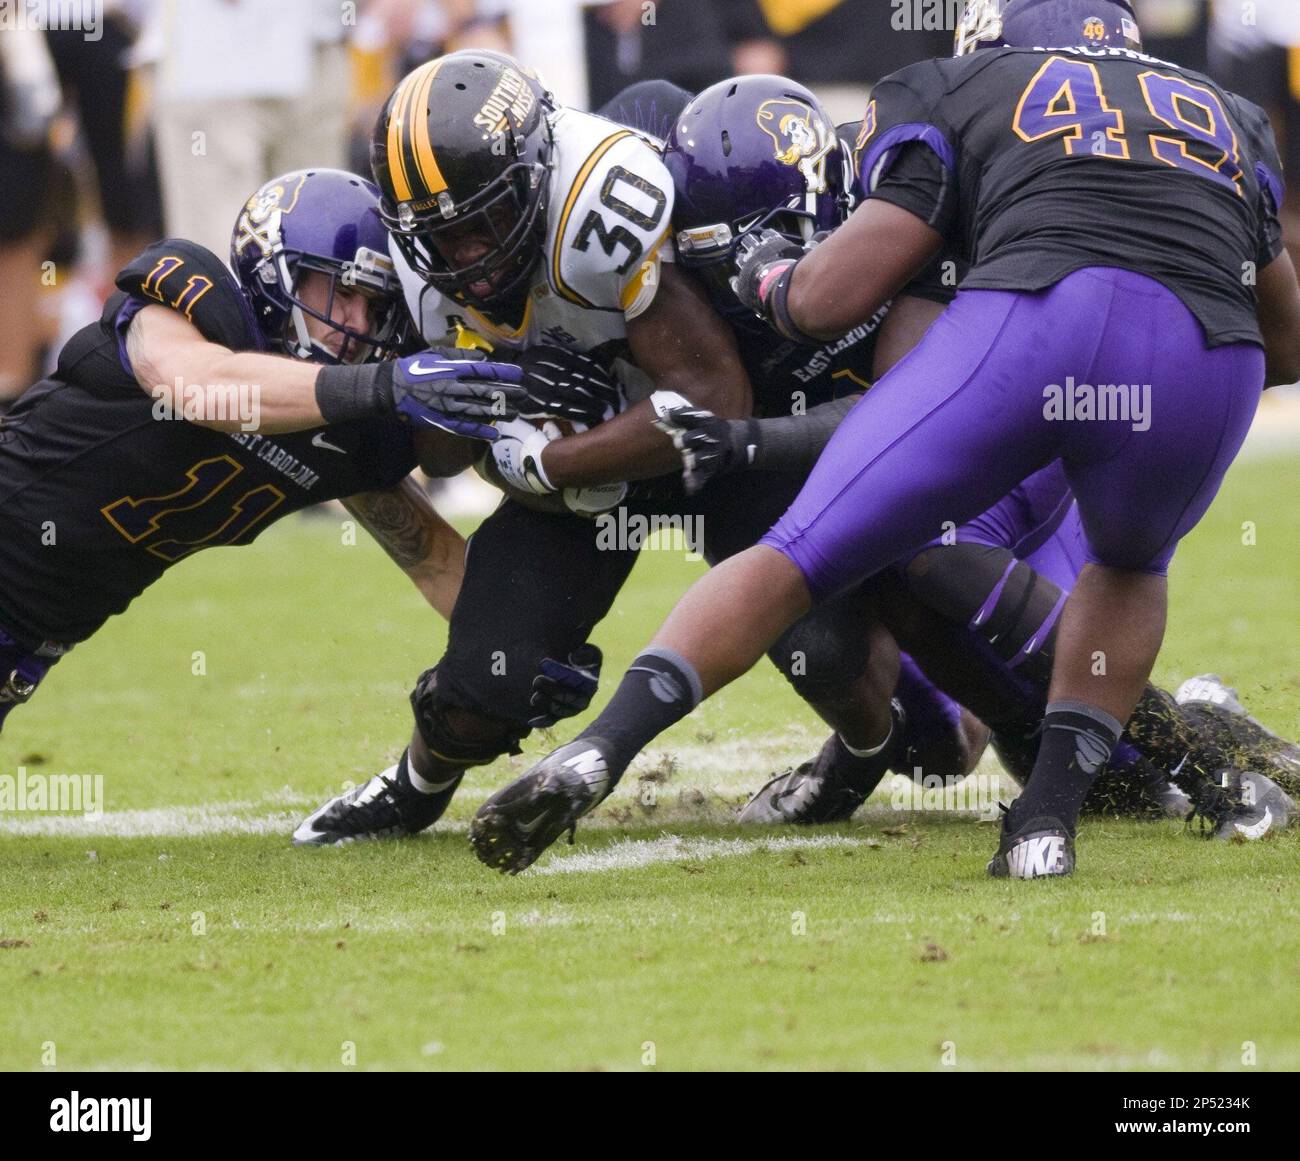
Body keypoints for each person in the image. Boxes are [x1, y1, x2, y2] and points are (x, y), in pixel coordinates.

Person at [467, 0, 1300, 879]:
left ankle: (1195, 748)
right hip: (1200, 359)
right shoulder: (1224, 113)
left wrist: (771, 288)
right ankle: (1053, 818)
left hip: (1033, 362)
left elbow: (835, 315)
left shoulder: (953, 93)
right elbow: (1286, 339)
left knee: (838, 551)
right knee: (1115, 576)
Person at [0, 167, 593, 735]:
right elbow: (197, 386)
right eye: (342, 293)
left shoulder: (344, 432)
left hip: (29, 641)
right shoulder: (192, 298)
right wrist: (382, 386)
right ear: (277, 273)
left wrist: (521, 651)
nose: (356, 322)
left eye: (376, 305)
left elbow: (434, 559)